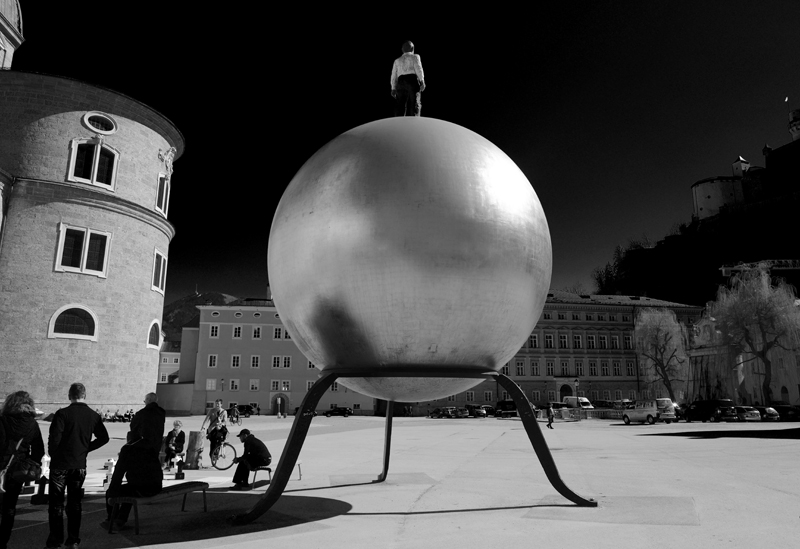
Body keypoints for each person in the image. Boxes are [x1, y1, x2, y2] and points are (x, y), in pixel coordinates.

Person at [45, 382, 109, 549]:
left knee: (56, 504)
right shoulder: (93, 415)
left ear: (69, 396)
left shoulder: (62, 414)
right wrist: (86, 448)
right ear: (84, 395)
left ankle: (55, 540)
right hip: (79, 464)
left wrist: (54, 454)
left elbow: (54, 439)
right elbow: (104, 438)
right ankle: (73, 540)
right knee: (75, 503)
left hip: (60, 464)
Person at [101, 392, 165, 531]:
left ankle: (112, 519)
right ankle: (120, 519)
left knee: (117, 491)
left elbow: (117, 476)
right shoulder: (152, 447)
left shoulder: (128, 449)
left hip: (140, 488)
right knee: (129, 490)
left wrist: (112, 493)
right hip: (156, 486)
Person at [0, 391, 45, 549]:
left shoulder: (2, 420)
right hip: (17, 471)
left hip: (1, 467)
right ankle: (3, 542)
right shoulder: (32, 424)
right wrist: (28, 463)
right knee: (9, 507)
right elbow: (39, 450)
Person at [390, 40, 426, 117]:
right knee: (414, 103)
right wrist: (422, 81)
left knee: (400, 105)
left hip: (401, 82)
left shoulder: (397, 60)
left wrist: (393, 88)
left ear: (402, 50)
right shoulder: (415, 57)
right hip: (412, 80)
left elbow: (394, 76)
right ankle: (414, 121)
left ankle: (399, 121)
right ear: (412, 49)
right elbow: (418, 69)